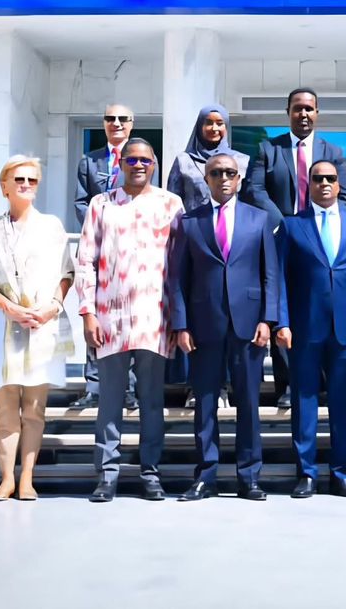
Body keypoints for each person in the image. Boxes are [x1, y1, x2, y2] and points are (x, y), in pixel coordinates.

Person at [77, 138, 185, 502]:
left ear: (154, 165)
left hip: (156, 318)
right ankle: (107, 474)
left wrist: (180, 317)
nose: (138, 165)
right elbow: (85, 261)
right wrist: (88, 312)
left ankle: (150, 472)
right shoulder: (101, 204)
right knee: (109, 401)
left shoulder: (171, 204)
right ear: (121, 163)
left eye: (145, 160)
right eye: (132, 159)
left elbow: (181, 263)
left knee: (152, 402)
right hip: (110, 318)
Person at [171, 153, 279, 502]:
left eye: (230, 172)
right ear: (207, 179)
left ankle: (249, 478)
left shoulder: (258, 219)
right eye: (216, 173)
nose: (224, 178)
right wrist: (181, 324)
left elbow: (270, 274)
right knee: (205, 404)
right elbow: (178, 278)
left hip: (248, 324)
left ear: (239, 178)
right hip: (204, 325)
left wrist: (268, 319)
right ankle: (206, 477)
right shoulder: (190, 222)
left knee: (248, 403)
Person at [0, 155, 76, 501]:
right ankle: (6, 479)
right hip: (3, 323)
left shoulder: (52, 226)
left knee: (34, 408)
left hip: (42, 324)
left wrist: (51, 308)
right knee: (6, 408)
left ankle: (28, 478)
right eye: (19, 179)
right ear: (4, 186)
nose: (26, 185)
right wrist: (11, 308)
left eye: (32, 180)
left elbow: (67, 273)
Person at [244, 87, 346, 408]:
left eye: (309, 108)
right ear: (288, 112)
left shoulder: (333, 152)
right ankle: (288, 384)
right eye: (297, 108)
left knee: (319, 308)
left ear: (317, 113)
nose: (303, 114)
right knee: (283, 308)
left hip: (322, 245)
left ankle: (321, 382)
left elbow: (344, 197)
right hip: (282, 240)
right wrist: (287, 225)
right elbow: (255, 190)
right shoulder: (268, 149)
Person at [276, 160, 346, 498]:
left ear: (340, 184)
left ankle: (342, 474)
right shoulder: (291, 225)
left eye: (331, 178)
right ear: (309, 184)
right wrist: (282, 322)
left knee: (343, 403)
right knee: (304, 401)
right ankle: (307, 473)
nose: (325, 183)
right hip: (304, 327)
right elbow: (280, 278)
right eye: (318, 178)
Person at [71, 104, 154, 410]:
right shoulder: (89, 160)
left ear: (132, 123)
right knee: (95, 318)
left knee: (130, 321)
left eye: (122, 118)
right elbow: (81, 202)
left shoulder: (143, 157)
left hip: (134, 252)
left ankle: (128, 390)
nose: (116, 123)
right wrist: (102, 227)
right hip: (100, 247)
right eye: (110, 118)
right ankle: (94, 387)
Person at [165, 103, 249, 406]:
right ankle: (194, 385)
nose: (214, 128)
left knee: (227, 316)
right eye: (208, 123)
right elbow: (173, 203)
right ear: (199, 127)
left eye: (220, 123)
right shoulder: (183, 161)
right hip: (194, 245)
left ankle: (224, 385)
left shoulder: (241, 161)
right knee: (195, 317)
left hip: (230, 249)